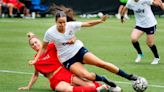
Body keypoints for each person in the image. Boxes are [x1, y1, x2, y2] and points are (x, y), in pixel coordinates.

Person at [28, 10, 141, 91]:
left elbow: (88, 23)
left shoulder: (71, 25)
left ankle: (130, 77)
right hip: (67, 59)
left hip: (79, 50)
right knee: (87, 76)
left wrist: (100, 21)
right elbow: (43, 48)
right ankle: (104, 80)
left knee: (101, 63)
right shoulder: (49, 32)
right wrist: (35, 60)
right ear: (55, 22)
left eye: (64, 22)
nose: (62, 25)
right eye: (60, 22)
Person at [18, 32, 110, 92]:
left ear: (40, 41)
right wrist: (28, 86)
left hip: (63, 73)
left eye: (36, 42)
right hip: (53, 80)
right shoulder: (35, 59)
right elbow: (35, 74)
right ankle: (98, 90)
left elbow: (61, 40)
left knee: (86, 84)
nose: (35, 45)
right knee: (68, 90)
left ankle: (108, 87)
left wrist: (72, 39)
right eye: (32, 44)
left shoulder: (50, 46)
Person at [120, 0, 164, 64]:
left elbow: (155, 3)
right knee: (133, 39)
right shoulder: (130, 2)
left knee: (150, 43)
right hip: (140, 25)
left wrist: (159, 3)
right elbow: (125, 8)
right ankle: (140, 54)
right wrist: (122, 17)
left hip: (150, 24)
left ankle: (156, 57)